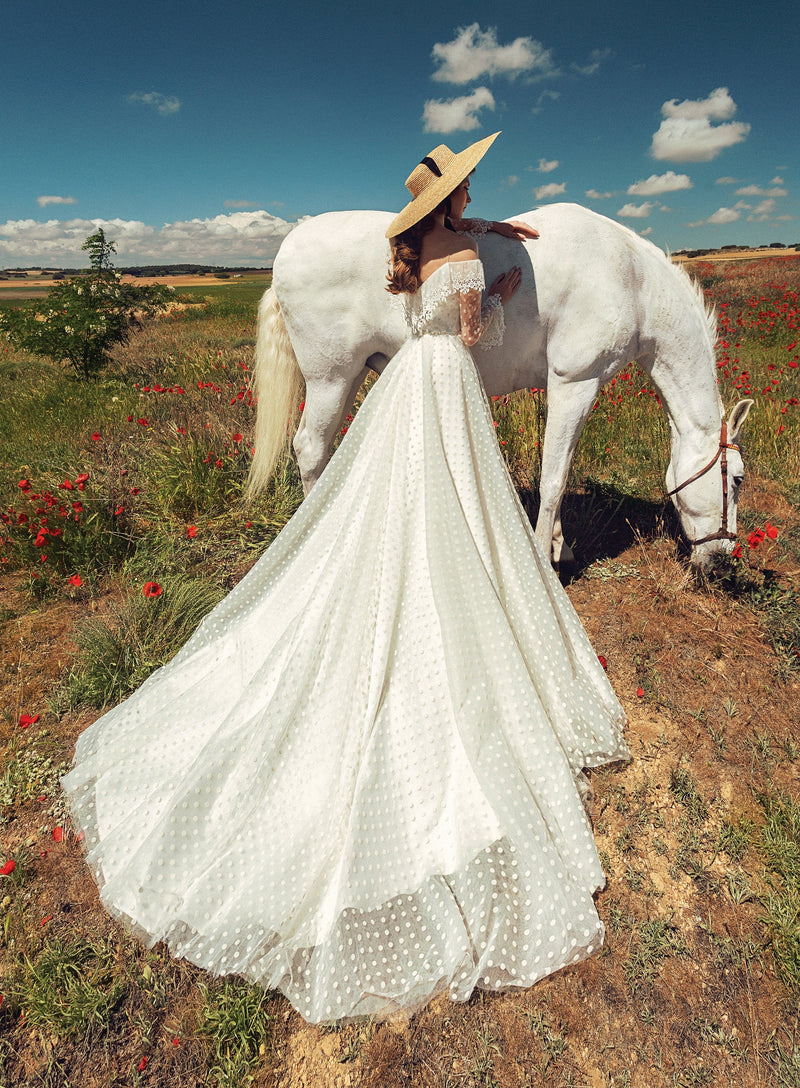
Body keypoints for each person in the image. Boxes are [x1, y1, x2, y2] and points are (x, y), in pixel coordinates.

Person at [62, 132, 629, 1025]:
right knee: (461, 509)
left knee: (394, 502)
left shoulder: (414, 249)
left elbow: (443, 258)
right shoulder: (463, 260)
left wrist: (479, 224)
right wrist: (506, 284)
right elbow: (473, 331)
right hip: (450, 381)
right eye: (465, 186)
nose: (472, 189)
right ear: (448, 199)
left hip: (409, 382)